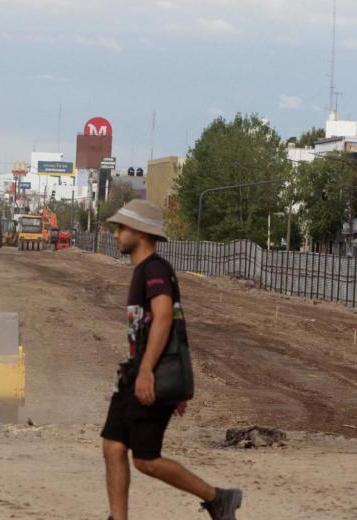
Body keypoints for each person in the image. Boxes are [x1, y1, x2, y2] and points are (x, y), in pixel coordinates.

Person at [100, 199, 242, 520]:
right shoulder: (144, 271)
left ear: (139, 232)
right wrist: (162, 379)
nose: (116, 234)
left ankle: (218, 498)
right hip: (134, 373)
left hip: (144, 375)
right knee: (113, 445)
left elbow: (165, 319)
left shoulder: (155, 270)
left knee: (146, 459)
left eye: (121, 228)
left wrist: (152, 373)